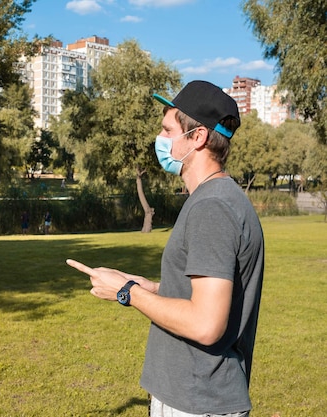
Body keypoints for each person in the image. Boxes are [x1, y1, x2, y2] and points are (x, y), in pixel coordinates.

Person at [67, 80, 264, 417]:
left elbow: (205, 324)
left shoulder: (212, 208)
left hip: (197, 400)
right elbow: (209, 296)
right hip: (192, 396)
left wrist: (127, 291)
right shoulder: (215, 198)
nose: (160, 139)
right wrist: (156, 288)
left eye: (167, 129)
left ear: (198, 137)